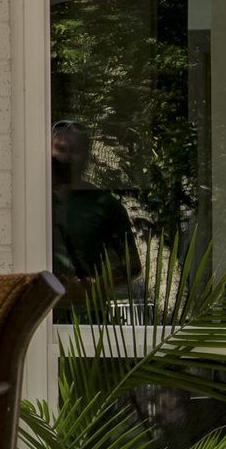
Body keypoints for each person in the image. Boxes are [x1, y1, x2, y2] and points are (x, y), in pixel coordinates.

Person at [50, 120, 136, 308]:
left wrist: (97, 284)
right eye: (61, 149)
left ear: (87, 155)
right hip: (39, 314)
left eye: (76, 150)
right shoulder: (33, 203)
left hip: (89, 318)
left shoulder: (106, 205)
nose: (67, 157)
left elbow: (132, 266)